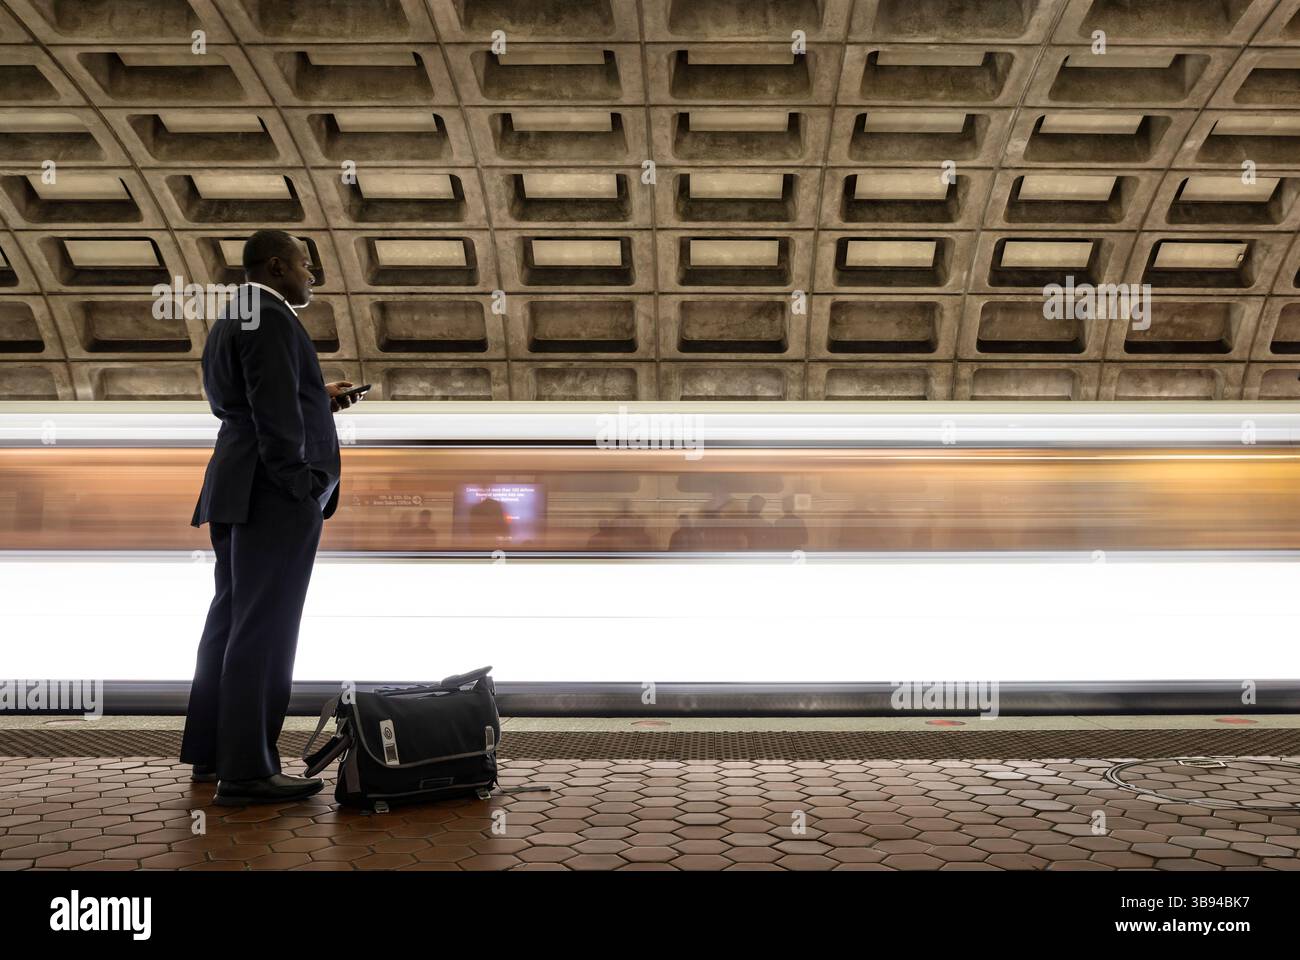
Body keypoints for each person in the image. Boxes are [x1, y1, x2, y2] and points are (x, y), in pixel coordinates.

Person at [180, 229, 363, 805]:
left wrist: (319, 396)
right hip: (270, 494)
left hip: (234, 486)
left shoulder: (233, 316)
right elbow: (273, 411)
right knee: (266, 628)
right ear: (279, 265)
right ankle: (249, 772)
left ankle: (214, 754)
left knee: (231, 622)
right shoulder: (273, 317)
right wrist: (301, 482)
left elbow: (250, 399)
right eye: (306, 266)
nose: (312, 275)